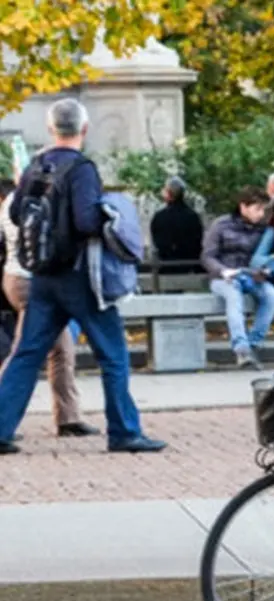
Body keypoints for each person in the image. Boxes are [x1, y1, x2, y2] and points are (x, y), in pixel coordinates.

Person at [0, 99, 166, 454]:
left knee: (27, 354)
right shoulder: (81, 169)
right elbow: (86, 221)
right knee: (113, 354)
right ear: (84, 130)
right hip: (80, 277)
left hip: (42, 274)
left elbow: (15, 213)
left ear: (50, 129)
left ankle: (0, 428)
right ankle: (124, 431)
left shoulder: (34, 165)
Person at [1, 178, 98, 439]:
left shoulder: (15, 203)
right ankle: (5, 419)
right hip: (32, 282)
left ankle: (68, 417)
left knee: (60, 349)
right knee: (26, 353)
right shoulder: (28, 204)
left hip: (21, 279)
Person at [202, 186, 274, 369]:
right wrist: (223, 271)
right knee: (234, 296)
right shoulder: (221, 225)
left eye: (263, 209)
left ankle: (254, 344)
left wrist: (265, 271)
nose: (261, 214)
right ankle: (241, 349)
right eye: (257, 209)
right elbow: (207, 256)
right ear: (243, 207)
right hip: (223, 277)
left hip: (251, 275)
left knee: (271, 296)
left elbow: (269, 255)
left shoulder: (264, 229)